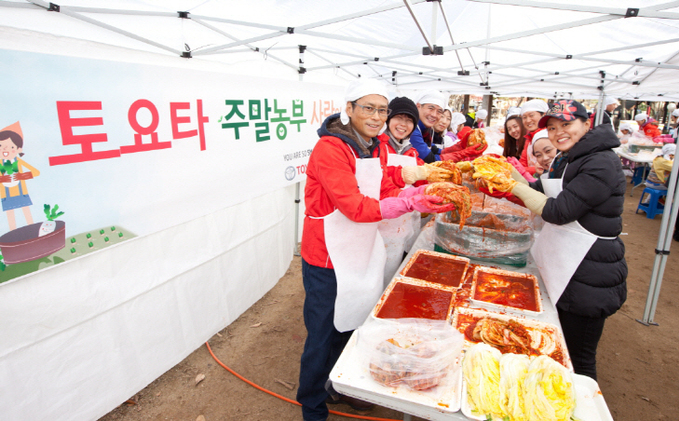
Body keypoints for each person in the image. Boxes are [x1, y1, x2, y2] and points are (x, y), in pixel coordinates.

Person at [297, 80, 455, 421]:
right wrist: (406, 202)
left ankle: (337, 385)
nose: (377, 116)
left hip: (361, 247)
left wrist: (413, 180)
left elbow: (382, 180)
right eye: (368, 107)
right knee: (323, 332)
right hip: (327, 255)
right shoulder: (331, 148)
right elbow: (354, 205)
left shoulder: (371, 145)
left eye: (381, 110)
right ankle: (311, 403)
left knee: (350, 321)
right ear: (349, 108)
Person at [493, 99, 627, 381]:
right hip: (569, 264)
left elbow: (558, 210)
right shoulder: (570, 157)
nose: (558, 132)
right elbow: (538, 189)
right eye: (552, 127)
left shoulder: (601, 162)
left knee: (579, 359)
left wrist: (513, 185)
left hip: (591, 273)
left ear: (586, 123)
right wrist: (506, 174)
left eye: (566, 124)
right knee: (559, 344)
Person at [0, 121, 39, 231]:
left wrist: (22, 176)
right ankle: (12, 234)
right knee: (10, 215)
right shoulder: (0, 164)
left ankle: (32, 231)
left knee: (26, 212)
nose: (4, 149)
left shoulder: (18, 162)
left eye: (10, 146)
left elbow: (35, 172)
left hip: (21, 192)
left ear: (18, 149)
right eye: (1, 146)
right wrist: (2, 179)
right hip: (6, 195)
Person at [409, 90, 445, 163]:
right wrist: (460, 155)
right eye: (431, 108)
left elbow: (434, 149)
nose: (434, 115)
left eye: (439, 111)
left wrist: (459, 149)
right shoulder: (412, 128)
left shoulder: (427, 130)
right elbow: (429, 159)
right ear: (418, 107)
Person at [519, 99, 550, 175]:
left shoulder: (548, 136)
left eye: (531, 115)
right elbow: (522, 163)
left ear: (544, 115)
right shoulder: (529, 137)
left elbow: (546, 167)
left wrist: (522, 170)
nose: (528, 120)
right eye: (524, 117)